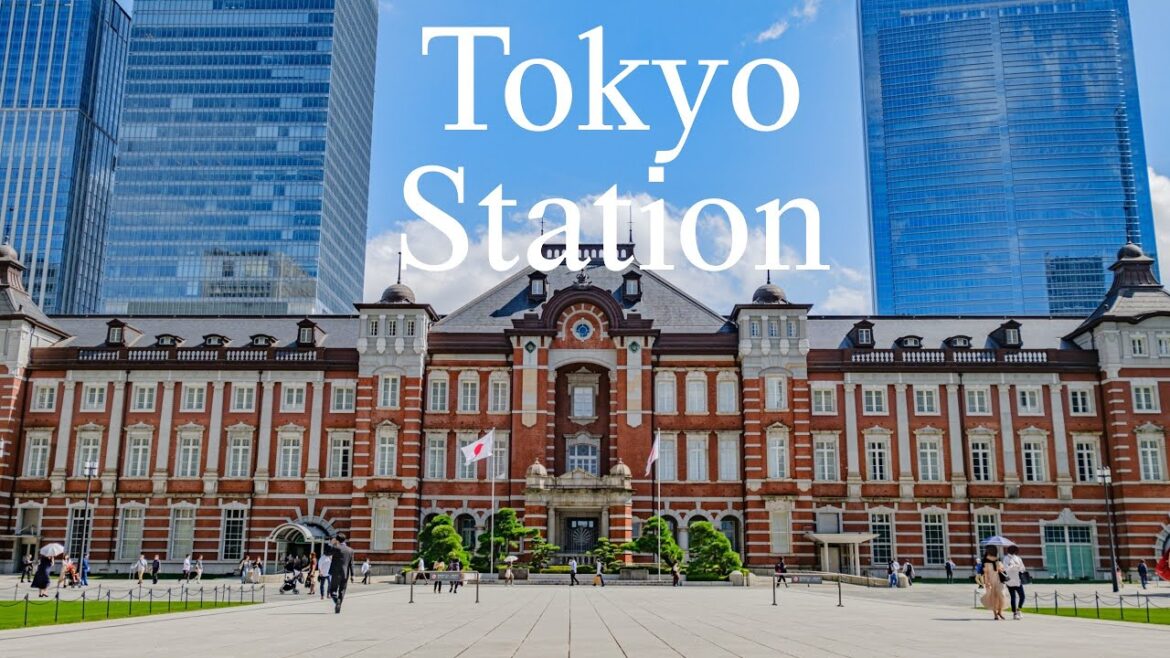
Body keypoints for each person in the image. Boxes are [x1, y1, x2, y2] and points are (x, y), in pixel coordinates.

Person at [323, 534, 354, 614]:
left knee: (333, 590)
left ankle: (337, 602)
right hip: (345, 573)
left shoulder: (336, 547)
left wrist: (330, 543)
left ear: (337, 540)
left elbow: (326, 553)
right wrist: (352, 575)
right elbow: (351, 564)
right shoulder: (350, 550)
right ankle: (339, 602)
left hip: (335, 572)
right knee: (342, 590)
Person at [979, 546, 1008, 621]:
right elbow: (986, 573)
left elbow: (1001, 570)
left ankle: (1000, 612)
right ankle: (995, 614)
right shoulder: (986, 561)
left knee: (1002, 595)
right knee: (993, 598)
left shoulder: (997, 559)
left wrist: (1000, 567)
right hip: (991, 581)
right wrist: (987, 582)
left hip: (999, 581)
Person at [1002, 545, 1026, 620]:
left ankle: (1019, 610)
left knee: (1022, 596)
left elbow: (1023, 568)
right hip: (1010, 580)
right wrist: (1012, 567)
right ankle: (1014, 613)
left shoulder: (1018, 558)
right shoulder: (1006, 558)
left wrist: (1018, 567)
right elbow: (1005, 569)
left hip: (1018, 580)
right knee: (1013, 597)